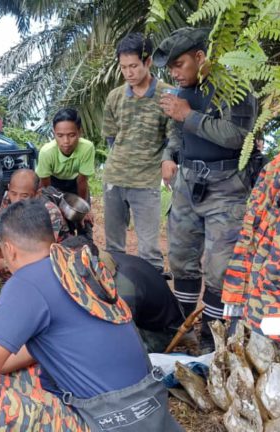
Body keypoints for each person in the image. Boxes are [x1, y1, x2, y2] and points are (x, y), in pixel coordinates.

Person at [0, 200, 180, 432]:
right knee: (26, 372)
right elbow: (32, 352)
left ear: (9, 248)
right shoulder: (79, 266)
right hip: (150, 412)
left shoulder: (26, 282)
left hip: (106, 421)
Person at [153, 27, 258, 351]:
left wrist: (189, 116)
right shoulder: (181, 91)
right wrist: (168, 156)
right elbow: (175, 132)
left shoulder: (233, 88)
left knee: (220, 268)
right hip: (187, 184)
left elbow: (238, 136)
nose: (174, 73)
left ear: (200, 57)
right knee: (181, 258)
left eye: (179, 64)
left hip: (227, 188)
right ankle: (183, 329)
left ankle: (213, 339)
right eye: (170, 68)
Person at [101, 32, 174, 272]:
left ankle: (152, 290)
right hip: (114, 180)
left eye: (133, 66)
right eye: (123, 68)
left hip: (146, 183)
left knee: (149, 251)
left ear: (148, 61)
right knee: (113, 248)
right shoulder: (115, 97)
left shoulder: (168, 95)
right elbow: (111, 136)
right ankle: (116, 290)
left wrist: (165, 162)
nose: (128, 73)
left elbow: (174, 138)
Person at [60, 236, 186, 353]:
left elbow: (121, 337)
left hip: (159, 332)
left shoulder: (122, 290)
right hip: (139, 317)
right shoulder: (97, 259)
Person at [0, 169, 68, 279]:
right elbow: (1, 224)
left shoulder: (50, 212)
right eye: (13, 193)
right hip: (23, 242)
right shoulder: (8, 198)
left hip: (51, 257)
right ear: (9, 188)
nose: (17, 200)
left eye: (24, 196)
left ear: (37, 194)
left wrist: (3, 264)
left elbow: (43, 255)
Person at [35, 108, 95, 201]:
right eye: (60, 135)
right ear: (54, 133)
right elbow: (45, 185)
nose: (66, 141)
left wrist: (82, 204)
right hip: (53, 183)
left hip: (75, 183)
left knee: (81, 208)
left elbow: (82, 180)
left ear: (79, 132)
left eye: (71, 135)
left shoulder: (87, 148)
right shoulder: (46, 152)